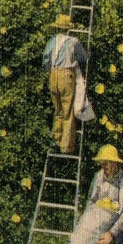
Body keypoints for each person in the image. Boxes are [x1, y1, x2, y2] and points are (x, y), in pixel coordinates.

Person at [62, 145, 123, 244]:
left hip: (117, 223)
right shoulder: (99, 176)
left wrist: (111, 233)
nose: (103, 167)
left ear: (115, 163)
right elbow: (92, 201)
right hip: (98, 219)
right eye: (101, 164)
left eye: (106, 164)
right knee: (81, 239)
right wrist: (85, 221)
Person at [42, 14, 90, 154]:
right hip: (65, 75)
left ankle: (57, 138)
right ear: (68, 29)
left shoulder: (52, 41)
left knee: (58, 110)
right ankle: (66, 145)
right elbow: (84, 57)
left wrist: (52, 69)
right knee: (68, 111)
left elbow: (45, 61)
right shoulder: (73, 41)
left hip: (53, 75)